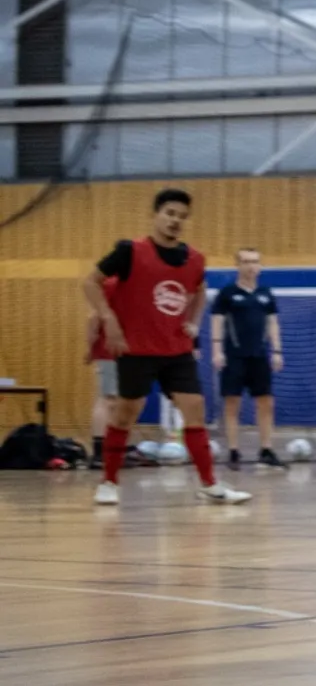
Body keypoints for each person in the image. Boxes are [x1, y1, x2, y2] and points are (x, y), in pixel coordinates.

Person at [81, 188, 249, 506]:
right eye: (170, 213)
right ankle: (109, 482)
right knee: (124, 415)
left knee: (194, 409)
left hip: (176, 351)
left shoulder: (195, 259)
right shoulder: (130, 251)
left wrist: (194, 321)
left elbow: (199, 290)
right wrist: (109, 319)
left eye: (182, 217)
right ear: (156, 214)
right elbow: (90, 282)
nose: (176, 221)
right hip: (136, 350)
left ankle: (210, 484)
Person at [211, 247, 284, 469]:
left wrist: (277, 351)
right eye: (245, 261)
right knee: (232, 403)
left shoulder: (266, 294)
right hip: (234, 357)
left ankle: (266, 449)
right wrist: (217, 350)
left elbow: (272, 323)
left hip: (259, 357)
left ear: (260, 266)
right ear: (238, 265)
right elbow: (217, 322)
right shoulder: (227, 294)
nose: (250, 266)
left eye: (255, 261)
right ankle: (234, 451)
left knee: (266, 402)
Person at [85, 278, 117, 469]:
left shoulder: (113, 284)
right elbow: (94, 317)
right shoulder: (113, 285)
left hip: (118, 352)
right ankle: (100, 452)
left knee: (113, 401)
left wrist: (91, 348)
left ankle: (109, 449)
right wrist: (91, 348)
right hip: (112, 352)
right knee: (107, 400)